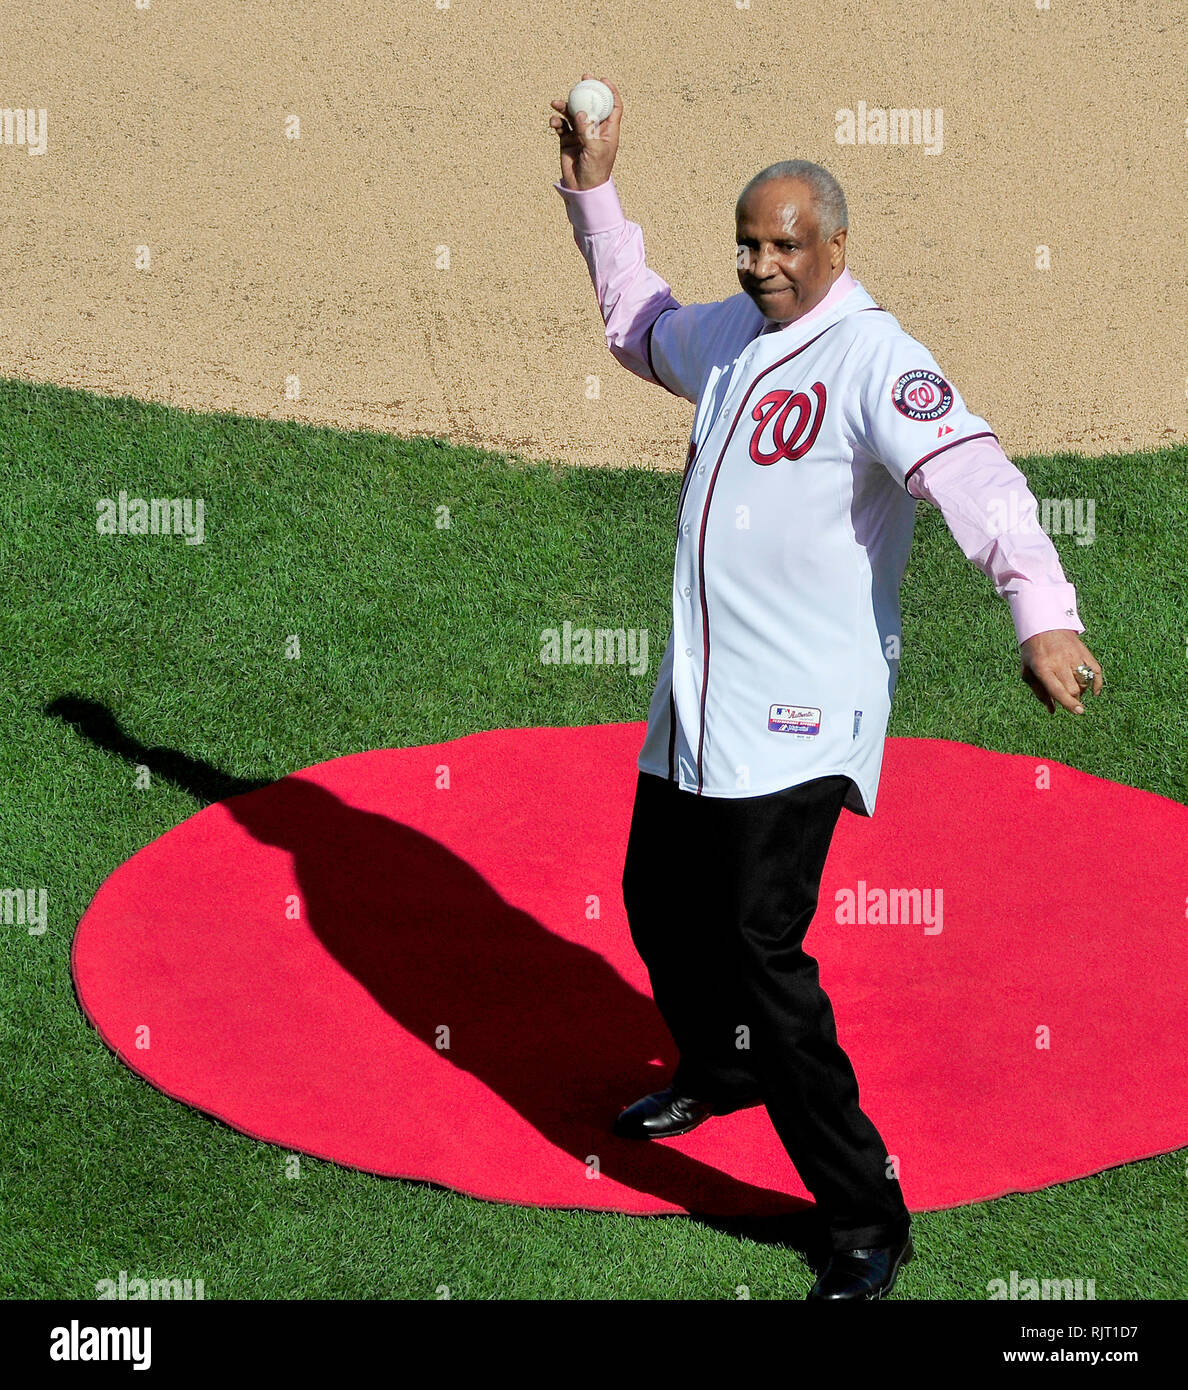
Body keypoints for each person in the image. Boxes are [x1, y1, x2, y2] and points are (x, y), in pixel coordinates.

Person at [549, 75, 1103, 1300]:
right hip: (694, 704)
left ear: (835, 246)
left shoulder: (876, 360)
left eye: (783, 243)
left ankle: (862, 1213)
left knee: (759, 950)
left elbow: (980, 480)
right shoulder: (734, 339)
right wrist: (596, 191)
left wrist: (1042, 616)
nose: (760, 264)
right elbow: (638, 323)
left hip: (797, 717)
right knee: (656, 897)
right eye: (746, 243)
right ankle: (724, 1065)